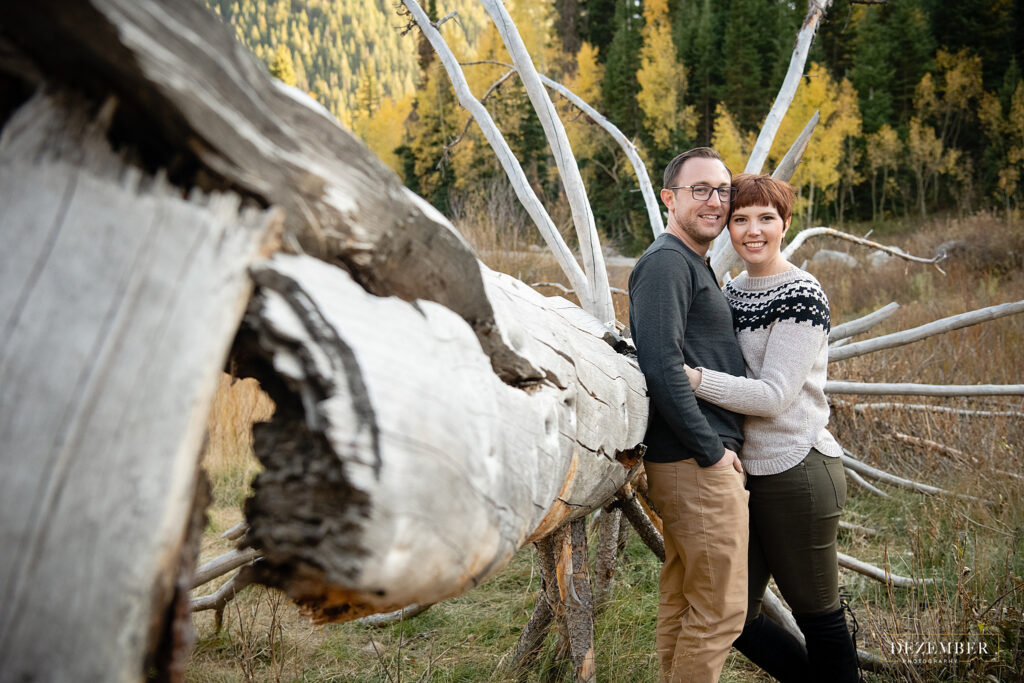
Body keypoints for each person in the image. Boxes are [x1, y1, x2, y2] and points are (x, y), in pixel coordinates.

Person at [683, 173, 859, 682]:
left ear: (785, 224)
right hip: (742, 474)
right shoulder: (732, 292)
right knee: (733, 615)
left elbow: (774, 395)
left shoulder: (802, 293)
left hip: (797, 469)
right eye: (740, 219)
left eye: (766, 218)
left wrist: (690, 379)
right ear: (728, 228)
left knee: (818, 616)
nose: (752, 230)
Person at [628, 147, 749, 683]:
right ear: (669, 198)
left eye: (722, 190)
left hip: (689, 464)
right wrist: (713, 451)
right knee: (721, 611)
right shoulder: (666, 264)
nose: (714, 201)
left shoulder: (691, 263)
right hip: (695, 465)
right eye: (700, 189)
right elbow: (662, 366)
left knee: (685, 600)